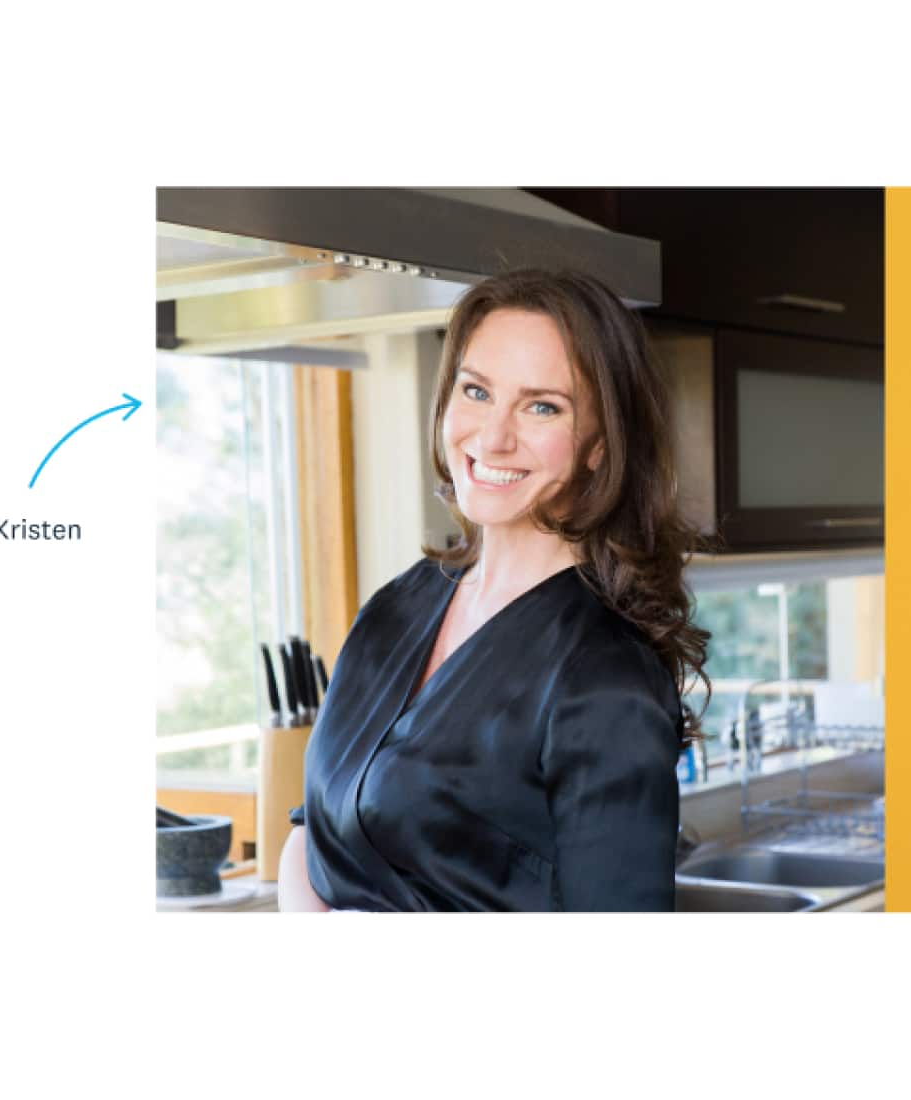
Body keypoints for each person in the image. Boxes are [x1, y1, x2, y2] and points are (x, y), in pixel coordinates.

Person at [278, 268, 708, 912]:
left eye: (542, 406)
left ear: (599, 444)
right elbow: (312, 832)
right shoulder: (400, 606)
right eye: (476, 391)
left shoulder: (602, 675)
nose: (494, 436)